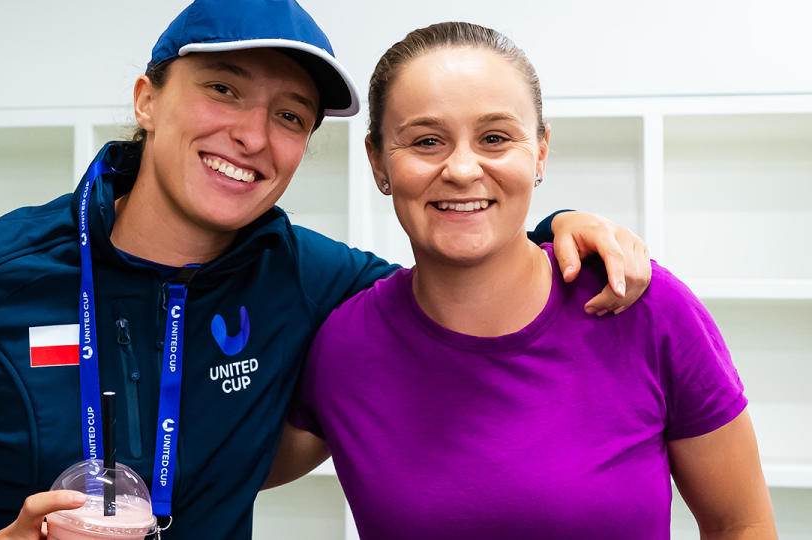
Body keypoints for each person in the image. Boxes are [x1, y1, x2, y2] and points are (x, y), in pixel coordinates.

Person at [0, 3, 651, 540]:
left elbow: (452, 280)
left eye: (290, 116)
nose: (251, 136)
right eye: (223, 90)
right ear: (147, 99)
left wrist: (557, 230)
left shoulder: (310, 278)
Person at [268, 22, 776, 539]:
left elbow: (742, 525)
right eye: (426, 141)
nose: (463, 169)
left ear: (540, 152)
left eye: (494, 138)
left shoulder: (641, 304)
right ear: (379, 162)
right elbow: (214, 468)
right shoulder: (346, 346)